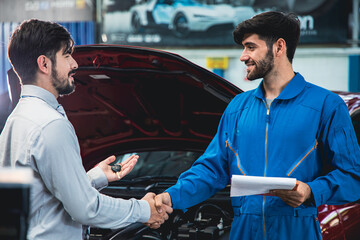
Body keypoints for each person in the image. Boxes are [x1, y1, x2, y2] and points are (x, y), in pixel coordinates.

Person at [154, 11, 360, 239]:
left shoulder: (325, 105)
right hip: (244, 230)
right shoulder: (237, 107)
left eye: (251, 47)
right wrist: (171, 196)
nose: (243, 56)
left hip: (296, 230)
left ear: (279, 47)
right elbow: (211, 169)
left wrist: (312, 190)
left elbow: (353, 177)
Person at [0, 19, 172, 240]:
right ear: (44, 64)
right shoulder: (51, 126)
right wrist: (144, 210)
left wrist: (95, 177)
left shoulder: (17, 119)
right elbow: (86, 208)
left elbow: (43, 197)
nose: (75, 64)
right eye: (66, 55)